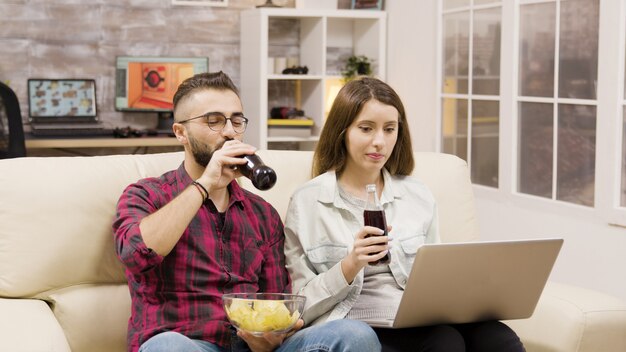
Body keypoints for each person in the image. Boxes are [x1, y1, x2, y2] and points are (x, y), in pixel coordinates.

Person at [113, 71, 380, 352]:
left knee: (354, 334)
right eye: (213, 121)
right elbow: (136, 254)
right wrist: (205, 185)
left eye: (236, 121)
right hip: (188, 344)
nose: (229, 131)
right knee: (167, 348)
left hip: (253, 348)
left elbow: (277, 301)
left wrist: (272, 335)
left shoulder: (262, 214)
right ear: (181, 132)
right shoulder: (147, 195)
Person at [284, 77, 525, 352]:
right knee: (445, 342)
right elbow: (298, 305)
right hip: (360, 325)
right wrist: (349, 265)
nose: (379, 142)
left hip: (419, 319)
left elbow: (441, 275)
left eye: (389, 129)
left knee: (497, 337)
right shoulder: (308, 202)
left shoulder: (417, 195)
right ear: (343, 131)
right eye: (366, 129)